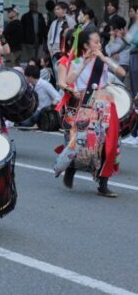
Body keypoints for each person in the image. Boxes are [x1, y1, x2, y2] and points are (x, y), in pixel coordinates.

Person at [55, 30, 123, 197]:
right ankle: (72, 167)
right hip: (86, 106)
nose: (99, 45)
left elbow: (122, 73)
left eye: (100, 42)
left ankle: (103, 182)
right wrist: (83, 64)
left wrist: (105, 58)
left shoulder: (104, 61)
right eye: (95, 42)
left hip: (106, 104)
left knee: (110, 143)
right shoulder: (77, 61)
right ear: (86, 45)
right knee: (83, 143)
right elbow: (68, 82)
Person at [16, 65, 62, 129]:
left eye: (26, 76)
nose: (25, 78)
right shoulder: (31, 86)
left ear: (30, 77)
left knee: (26, 122)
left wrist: (51, 106)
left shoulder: (44, 84)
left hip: (44, 111)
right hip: (36, 111)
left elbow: (58, 97)